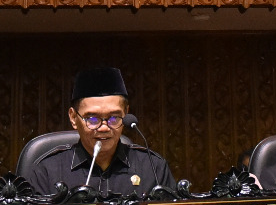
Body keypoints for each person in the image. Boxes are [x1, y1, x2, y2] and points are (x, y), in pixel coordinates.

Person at [22, 67, 175, 197]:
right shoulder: (47, 171)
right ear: (73, 117)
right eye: (92, 119)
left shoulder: (152, 168)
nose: (103, 128)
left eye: (114, 118)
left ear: (126, 113)